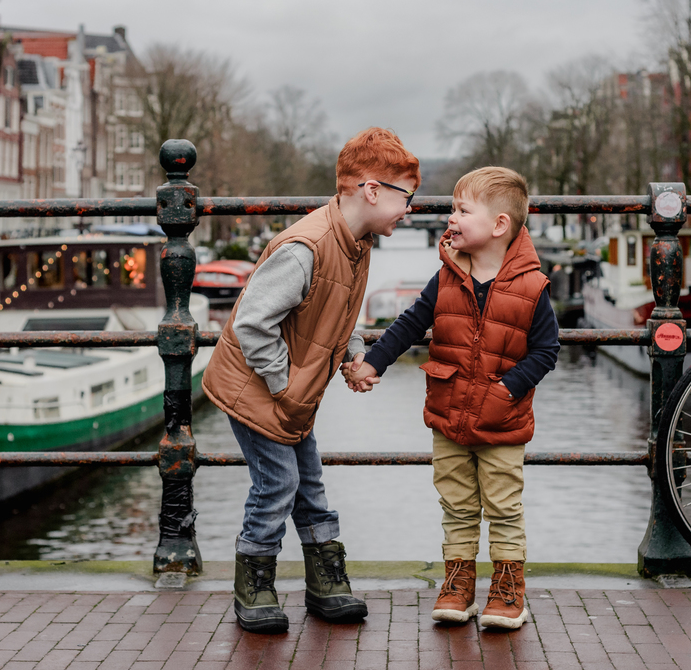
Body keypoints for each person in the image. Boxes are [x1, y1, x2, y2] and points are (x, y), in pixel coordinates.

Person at [202, 126, 421, 634]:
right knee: (277, 482)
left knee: (309, 483)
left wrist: (354, 351)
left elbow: (331, 310)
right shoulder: (305, 248)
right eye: (405, 197)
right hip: (258, 388)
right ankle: (254, 584)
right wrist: (283, 386)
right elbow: (252, 323)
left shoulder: (356, 243)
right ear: (371, 190)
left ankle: (326, 583)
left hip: (289, 392)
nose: (409, 208)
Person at [343, 167, 559, 630]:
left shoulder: (532, 287)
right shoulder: (445, 277)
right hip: (448, 414)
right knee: (457, 503)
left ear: (499, 225)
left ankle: (508, 591)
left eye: (463, 210)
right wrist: (373, 363)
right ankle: (459, 584)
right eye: (452, 209)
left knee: (503, 506)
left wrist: (508, 389)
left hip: (502, 420)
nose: (451, 217)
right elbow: (408, 325)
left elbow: (546, 351)